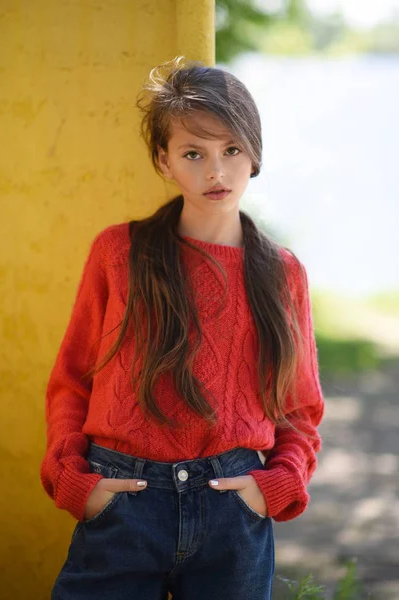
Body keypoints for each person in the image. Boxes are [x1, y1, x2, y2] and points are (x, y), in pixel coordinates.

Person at [41, 56, 325, 600]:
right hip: (124, 498)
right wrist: (78, 482)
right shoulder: (118, 253)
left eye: (232, 151)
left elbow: (299, 407)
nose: (216, 172)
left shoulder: (281, 273)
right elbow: (73, 380)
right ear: (164, 160)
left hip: (233, 506)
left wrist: (274, 486)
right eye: (194, 153)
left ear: (255, 154)